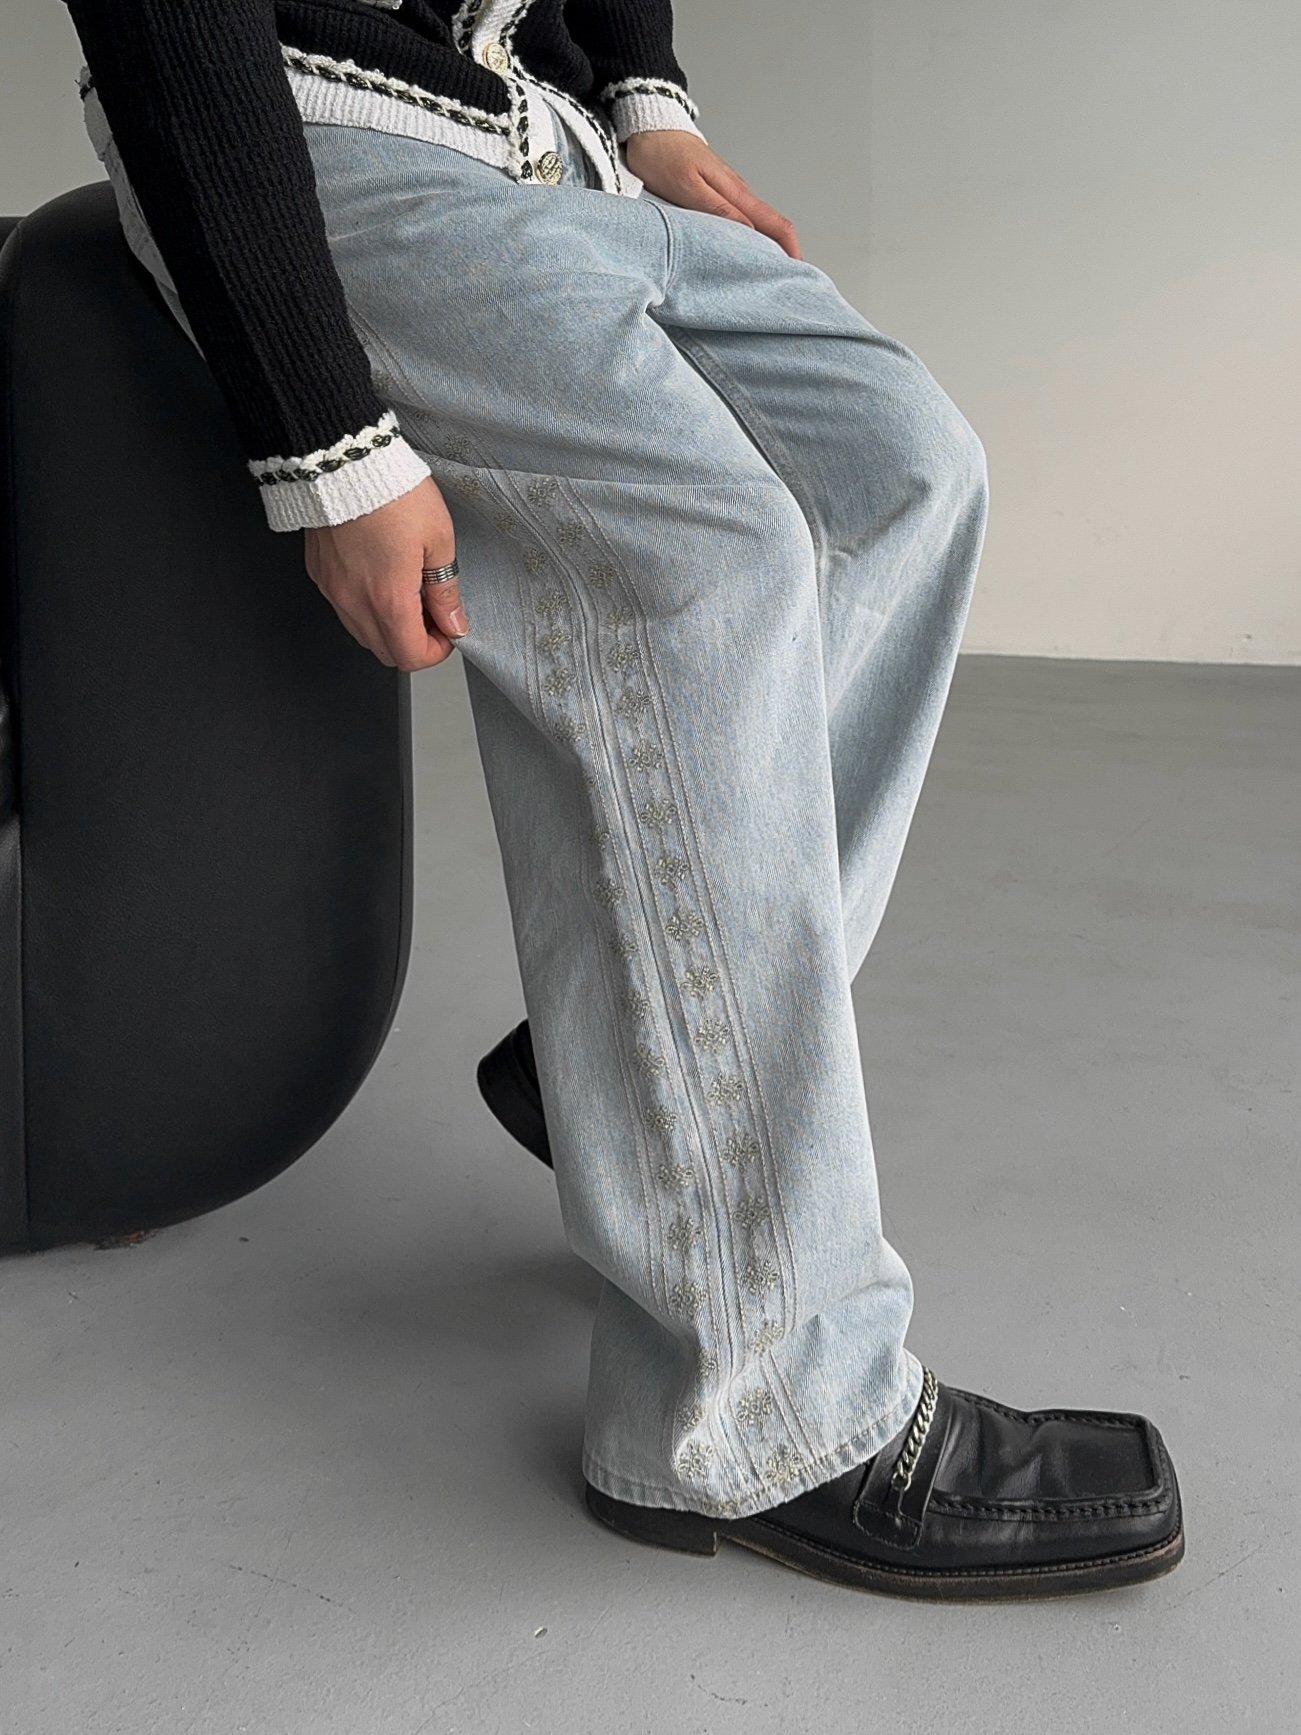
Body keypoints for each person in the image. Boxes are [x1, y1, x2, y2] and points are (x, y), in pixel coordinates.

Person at [65, 0, 1183, 1599]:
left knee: (905, 470)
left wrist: (645, 98)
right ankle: (762, 1412)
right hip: (307, 137)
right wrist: (324, 446)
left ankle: (620, 1056)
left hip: (540, 131)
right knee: (705, 559)